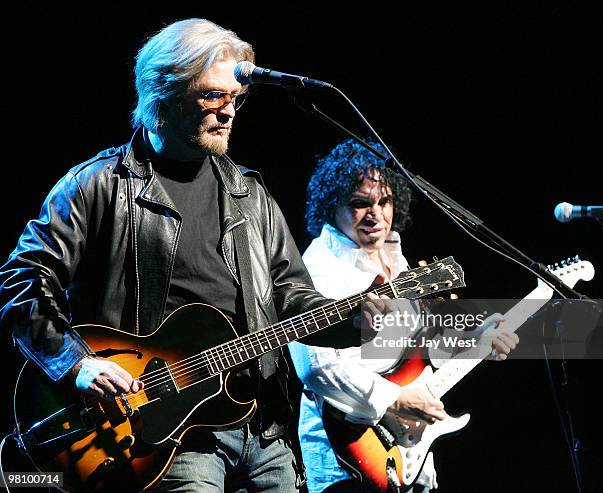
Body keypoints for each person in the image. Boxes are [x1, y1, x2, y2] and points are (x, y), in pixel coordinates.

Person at [0, 19, 374, 493]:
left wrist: (361, 320)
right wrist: (76, 364)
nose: (229, 112)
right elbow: (23, 280)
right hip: (163, 434)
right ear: (164, 92)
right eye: (213, 96)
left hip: (263, 431)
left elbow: (292, 298)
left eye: (236, 99)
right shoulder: (98, 185)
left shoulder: (249, 194)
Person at [288, 139, 519, 493]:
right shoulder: (320, 267)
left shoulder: (393, 256)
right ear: (330, 206)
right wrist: (393, 399)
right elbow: (317, 367)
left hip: (408, 453)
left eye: (384, 202)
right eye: (360, 204)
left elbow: (414, 350)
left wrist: (477, 340)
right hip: (346, 460)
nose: (376, 215)